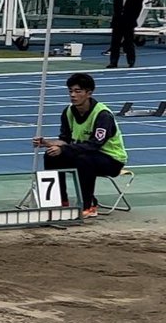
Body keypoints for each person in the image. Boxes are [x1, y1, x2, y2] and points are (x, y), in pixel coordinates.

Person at [34, 72, 126, 218]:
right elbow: (65, 139)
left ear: (88, 93)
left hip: (111, 160)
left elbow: (94, 145)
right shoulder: (68, 112)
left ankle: (88, 205)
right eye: (70, 91)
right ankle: (59, 200)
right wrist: (48, 143)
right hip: (84, 154)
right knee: (51, 154)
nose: (73, 95)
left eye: (78, 91)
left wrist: (63, 149)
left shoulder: (102, 115)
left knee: (84, 159)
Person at [107, 0, 143, 68]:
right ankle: (113, 62)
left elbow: (138, 9)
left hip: (129, 22)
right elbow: (116, 7)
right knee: (115, 43)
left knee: (129, 43)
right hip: (118, 22)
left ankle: (131, 61)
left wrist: (131, 19)